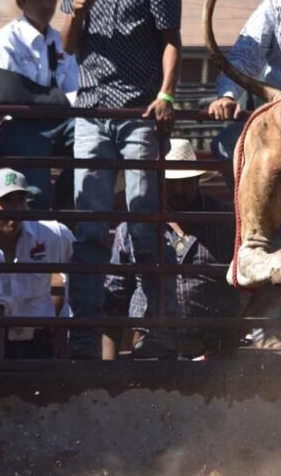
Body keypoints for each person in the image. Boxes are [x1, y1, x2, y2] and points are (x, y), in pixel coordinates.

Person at [59, 0, 181, 360]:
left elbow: (172, 41)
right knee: (89, 227)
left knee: (144, 222)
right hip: (92, 109)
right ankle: (84, 333)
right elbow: (68, 45)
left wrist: (166, 93)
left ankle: (156, 330)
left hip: (137, 112)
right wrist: (76, 14)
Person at [103, 139, 241, 360]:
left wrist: (240, 325)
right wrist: (107, 369)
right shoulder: (133, 226)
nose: (178, 189)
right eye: (171, 182)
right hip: (150, 342)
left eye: (186, 181)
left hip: (214, 343)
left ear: (197, 179)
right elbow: (114, 300)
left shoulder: (226, 220)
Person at [0, 0, 79, 210]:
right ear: (21, 2)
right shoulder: (7, 38)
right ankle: (38, 223)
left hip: (53, 122)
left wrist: (53, 100)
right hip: (17, 126)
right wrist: (61, 99)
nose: (46, 4)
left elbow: (73, 91)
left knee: (91, 138)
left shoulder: (58, 41)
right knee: (36, 194)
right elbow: (11, 95)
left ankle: (68, 202)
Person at [0, 169, 74, 360]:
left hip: (41, 340)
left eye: (20, 199)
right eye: (6, 200)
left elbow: (79, 273)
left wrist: (63, 322)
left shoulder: (52, 233)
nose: (15, 208)